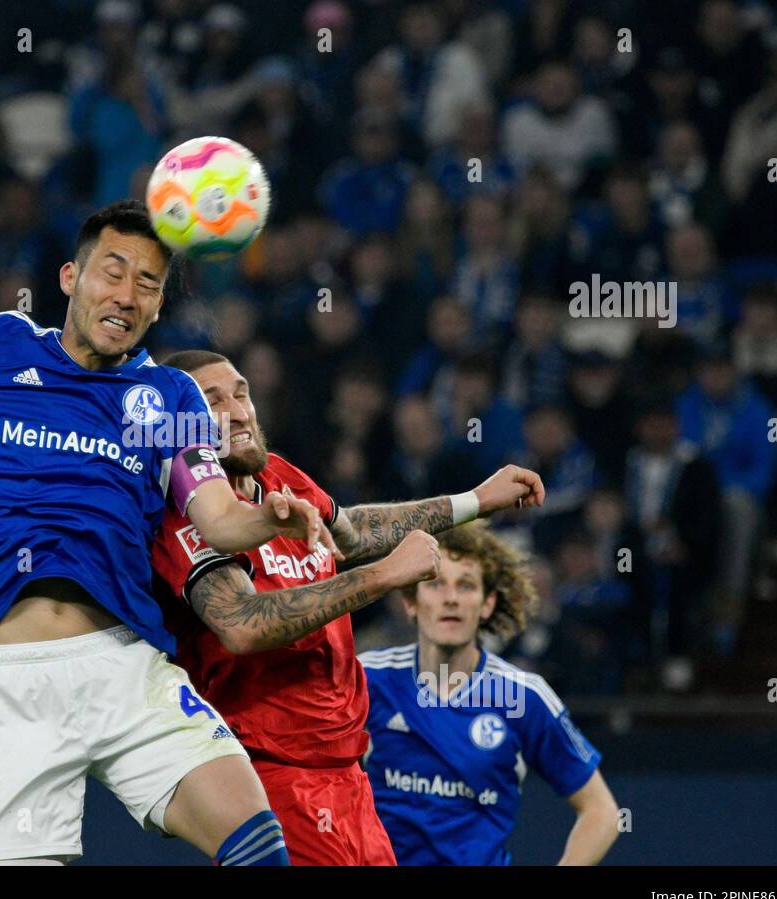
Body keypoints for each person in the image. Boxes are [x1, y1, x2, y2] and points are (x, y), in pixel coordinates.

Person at [0, 108, 337, 866]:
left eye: (147, 284)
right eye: (113, 271)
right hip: (16, 686)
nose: (126, 294)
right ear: (71, 277)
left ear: (158, 307)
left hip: (128, 668)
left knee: (257, 844)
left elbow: (217, 518)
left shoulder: (168, 399)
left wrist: (272, 520)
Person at [151, 349, 545, 864]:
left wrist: (473, 502)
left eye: (242, 393)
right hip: (272, 772)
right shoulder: (184, 517)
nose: (240, 411)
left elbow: (353, 534)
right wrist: (383, 577)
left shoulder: (282, 480)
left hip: (347, 775)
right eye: (212, 401)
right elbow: (241, 624)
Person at [361, 524, 620, 865]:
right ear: (410, 602)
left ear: (487, 604)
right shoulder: (366, 678)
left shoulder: (524, 697)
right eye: (436, 584)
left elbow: (602, 813)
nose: (451, 598)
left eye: (466, 585)